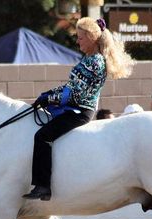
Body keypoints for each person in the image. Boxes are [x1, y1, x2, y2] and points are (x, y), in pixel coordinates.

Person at [22, 17, 134, 201]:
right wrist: (48, 94)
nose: (77, 41)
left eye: (80, 37)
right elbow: (70, 87)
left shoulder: (94, 62)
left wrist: (49, 99)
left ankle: (43, 186)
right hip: (75, 108)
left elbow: (74, 95)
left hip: (79, 112)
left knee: (42, 136)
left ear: (91, 37)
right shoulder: (89, 59)